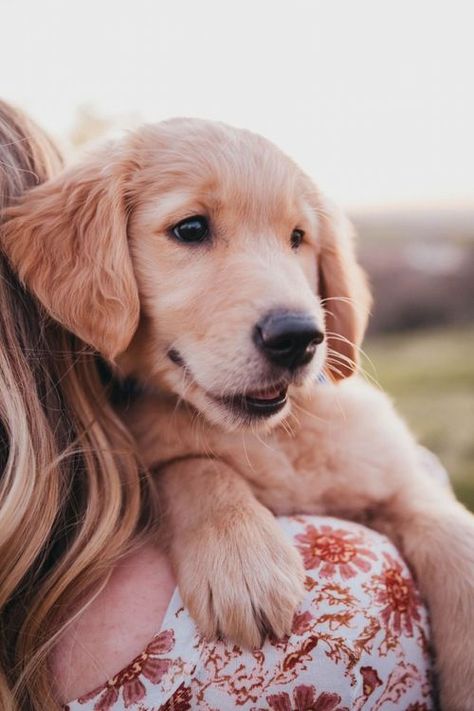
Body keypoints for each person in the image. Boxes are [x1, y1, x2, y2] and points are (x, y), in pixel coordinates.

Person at [0, 100, 434, 710]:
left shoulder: (344, 419)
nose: (293, 316)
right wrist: (197, 492)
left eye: (296, 238)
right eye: (192, 230)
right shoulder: (118, 452)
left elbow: (415, 499)